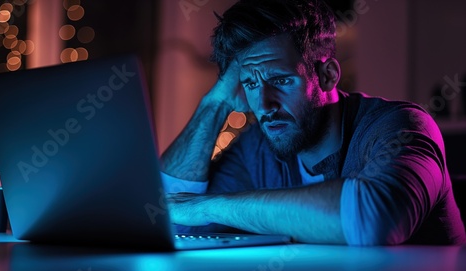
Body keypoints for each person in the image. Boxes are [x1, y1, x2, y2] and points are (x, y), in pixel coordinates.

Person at [160, 0, 466, 245]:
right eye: (250, 84)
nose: (264, 105)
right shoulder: (257, 147)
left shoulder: (400, 125)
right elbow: (169, 217)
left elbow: (374, 220)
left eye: (280, 79)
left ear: (328, 75)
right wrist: (217, 102)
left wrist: (209, 205)